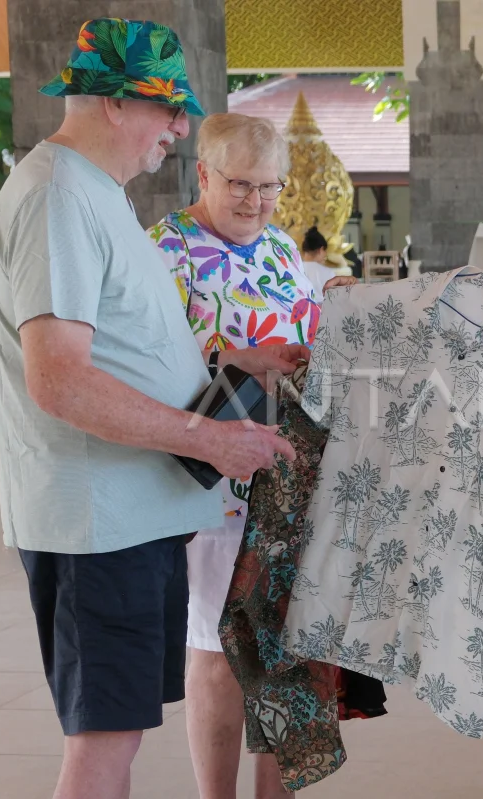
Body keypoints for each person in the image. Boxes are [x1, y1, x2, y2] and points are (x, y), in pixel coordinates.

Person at [0, 19, 302, 799]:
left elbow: (125, 350)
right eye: (169, 108)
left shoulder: (94, 194)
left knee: (117, 735)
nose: (181, 129)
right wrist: (208, 437)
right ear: (115, 103)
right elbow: (61, 379)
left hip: (129, 518)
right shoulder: (58, 197)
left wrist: (232, 366)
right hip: (96, 524)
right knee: (104, 742)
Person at [148, 113, 350, 799]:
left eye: (270, 186)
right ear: (203, 173)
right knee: (217, 645)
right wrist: (236, 357)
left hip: (287, 472)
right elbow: (143, 358)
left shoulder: (281, 249)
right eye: (241, 184)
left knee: (289, 644)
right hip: (214, 475)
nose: (256, 201)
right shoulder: (167, 248)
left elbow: (303, 337)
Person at [299, 225, 350, 289]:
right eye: (325, 251)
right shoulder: (328, 273)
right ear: (321, 250)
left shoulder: (295, 269)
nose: (325, 254)